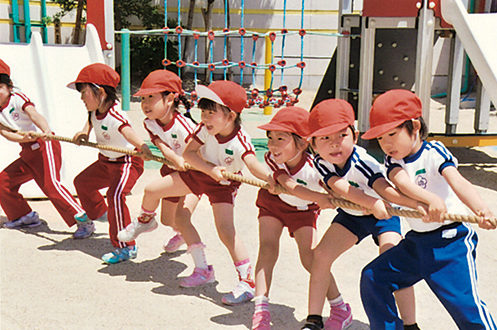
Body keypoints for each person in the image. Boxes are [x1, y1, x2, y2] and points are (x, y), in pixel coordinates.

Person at [119, 80, 273, 305]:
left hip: (223, 185)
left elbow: (252, 166)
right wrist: (210, 169)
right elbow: (189, 154)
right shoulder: (203, 129)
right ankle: (145, 221)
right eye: (203, 112)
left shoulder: (241, 141)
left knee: (226, 231)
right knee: (152, 190)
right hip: (199, 173)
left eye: (211, 113)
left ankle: (246, 281)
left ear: (230, 116)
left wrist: (272, 180)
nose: (205, 118)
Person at [359, 89, 496, 330]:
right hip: (416, 245)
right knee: (374, 277)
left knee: (467, 309)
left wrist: (481, 209)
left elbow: (458, 181)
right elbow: (401, 183)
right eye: (380, 138)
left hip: (450, 244)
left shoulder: (435, 152)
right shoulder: (393, 160)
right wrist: (428, 200)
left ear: (414, 126)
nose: (386, 143)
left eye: (392, 134)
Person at [302, 99, 424, 330]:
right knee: (320, 256)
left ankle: (410, 324)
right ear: (313, 144)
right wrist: (362, 201)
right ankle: (314, 319)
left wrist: (415, 204)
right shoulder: (319, 160)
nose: (334, 144)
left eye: (341, 135)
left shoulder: (363, 162)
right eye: (325, 138)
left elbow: (385, 189)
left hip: (383, 214)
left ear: (355, 136)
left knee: (393, 262)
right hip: (351, 215)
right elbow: (336, 185)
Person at [251, 106, 338, 330]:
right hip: (273, 203)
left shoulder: (316, 168)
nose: (273, 144)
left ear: (302, 143)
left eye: (281, 138)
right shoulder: (272, 158)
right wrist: (320, 197)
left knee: (311, 259)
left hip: (304, 211)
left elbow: (333, 188)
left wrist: (330, 198)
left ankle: (339, 306)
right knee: (267, 248)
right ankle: (260, 309)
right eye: (270, 137)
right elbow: (290, 185)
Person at [68, 63, 152, 264]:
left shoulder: (115, 115)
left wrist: (142, 145)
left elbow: (127, 132)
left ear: (101, 93)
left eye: (84, 92)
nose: (81, 98)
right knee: (82, 183)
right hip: (106, 161)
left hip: (127, 162)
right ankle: (102, 214)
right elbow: (90, 121)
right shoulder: (94, 109)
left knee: (115, 196)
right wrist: (83, 133)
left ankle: (126, 246)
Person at [117, 69, 198, 253]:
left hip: (195, 172)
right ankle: (181, 234)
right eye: (143, 98)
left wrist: (183, 160)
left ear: (169, 99)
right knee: (168, 220)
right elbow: (160, 144)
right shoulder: (149, 123)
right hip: (173, 168)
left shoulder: (185, 126)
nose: (144, 104)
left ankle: (144, 220)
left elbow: (201, 152)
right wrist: (175, 159)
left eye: (150, 97)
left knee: (157, 196)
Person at [0, 58, 86, 230]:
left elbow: (34, 115)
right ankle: (23, 215)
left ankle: (83, 220)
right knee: (3, 181)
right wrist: (26, 139)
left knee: (51, 185)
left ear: (9, 86)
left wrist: (45, 130)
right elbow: (6, 133)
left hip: (44, 145)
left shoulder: (17, 99)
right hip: (28, 150)